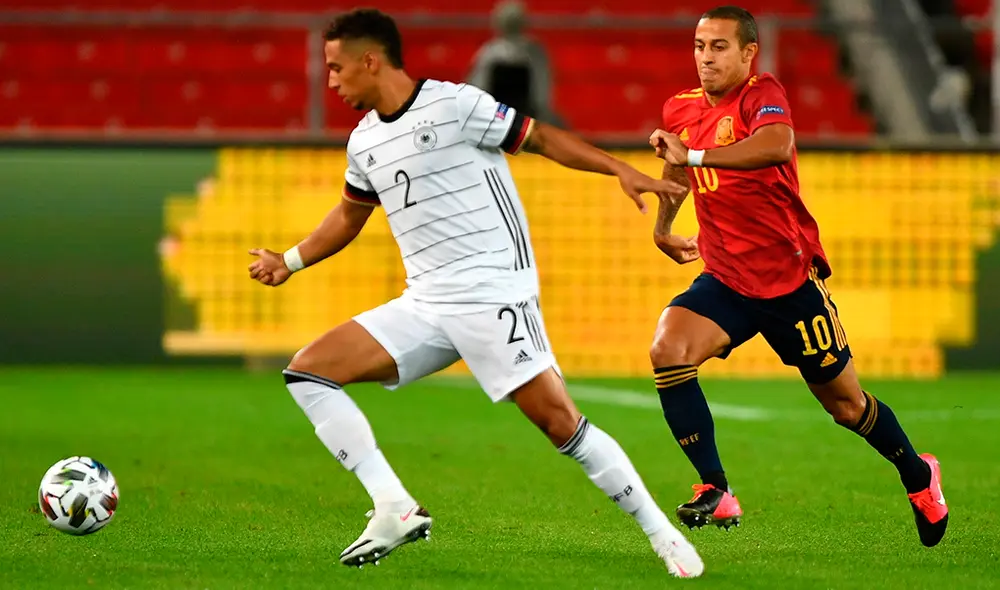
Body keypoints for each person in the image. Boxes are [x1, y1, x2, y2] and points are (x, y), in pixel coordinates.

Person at [247, 8, 704, 577]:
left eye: (337, 69)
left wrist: (617, 170)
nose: (331, 81)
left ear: (371, 60)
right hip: (425, 302)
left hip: (493, 293)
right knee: (308, 373)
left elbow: (541, 139)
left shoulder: (456, 104)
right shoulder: (364, 141)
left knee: (561, 423)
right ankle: (393, 506)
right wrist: (288, 261)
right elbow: (348, 216)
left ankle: (661, 535)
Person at [647, 5, 948, 547]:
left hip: (788, 282)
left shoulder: (763, 94)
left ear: (748, 53)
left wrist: (694, 153)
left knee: (847, 406)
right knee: (668, 349)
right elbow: (676, 166)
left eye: (718, 47)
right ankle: (716, 490)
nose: (706, 58)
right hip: (726, 279)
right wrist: (664, 229)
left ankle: (918, 473)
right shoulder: (681, 108)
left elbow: (774, 146)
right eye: (699, 46)